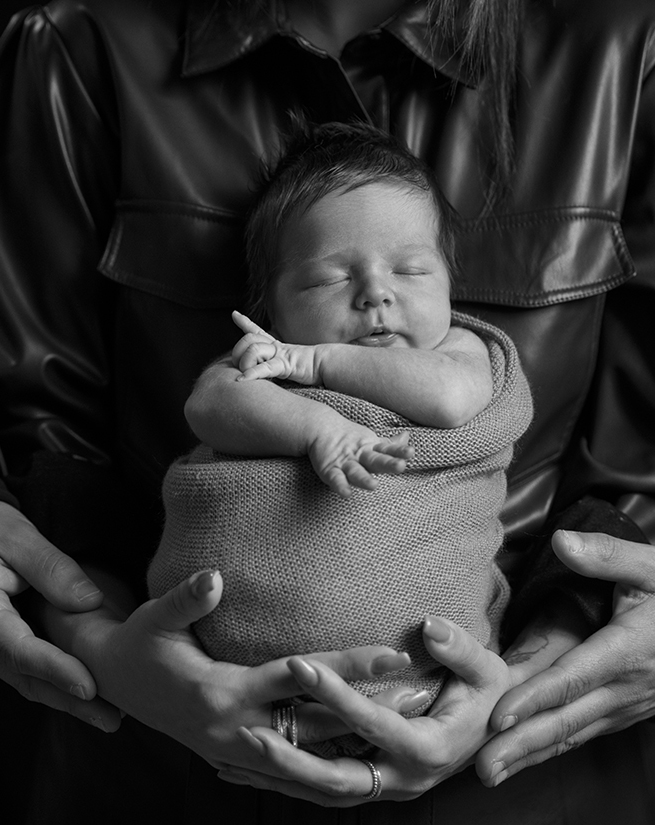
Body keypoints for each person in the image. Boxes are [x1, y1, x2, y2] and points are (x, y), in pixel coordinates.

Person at [0, 0, 655, 821]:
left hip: (531, 784)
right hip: (151, 767)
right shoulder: (74, 43)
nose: (379, 298)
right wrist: (25, 574)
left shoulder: (654, 45)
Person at [149, 121, 536, 758]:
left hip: (432, 669)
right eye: (329, 279)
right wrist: (318, 428)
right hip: (227, 680)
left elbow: (449, 400)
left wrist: (315, 365)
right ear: (270, 305)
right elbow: (209, 406)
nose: (376, 294)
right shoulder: (261, 359)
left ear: (449, 280)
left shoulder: (463, 352)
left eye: (412, 271)